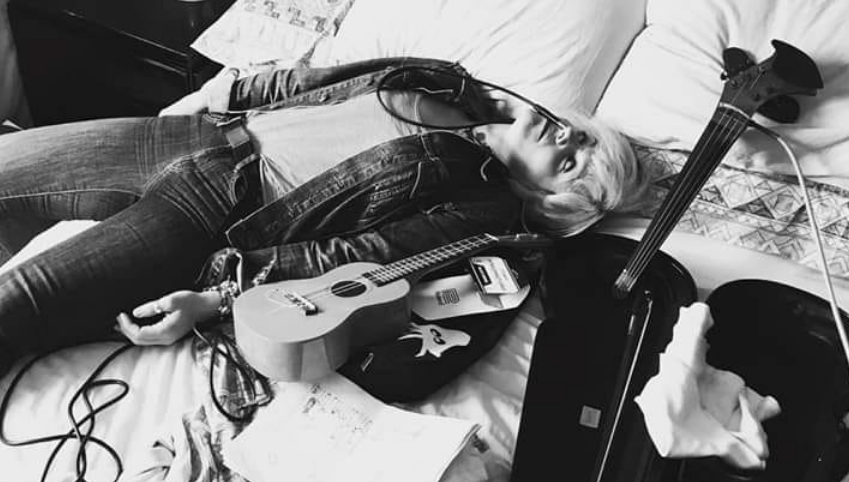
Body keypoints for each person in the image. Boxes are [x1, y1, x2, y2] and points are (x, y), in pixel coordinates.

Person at [0, 57, 646, 374]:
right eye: (585, 138)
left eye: (572, 165)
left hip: (214, 208)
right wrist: (219, 93)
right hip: (195, 135)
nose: (567, 138)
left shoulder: (482, 208)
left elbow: (351, 261)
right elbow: (308, 84)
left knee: (17, 300)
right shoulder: (447, 80)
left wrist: (219, 296)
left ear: (550, 198)